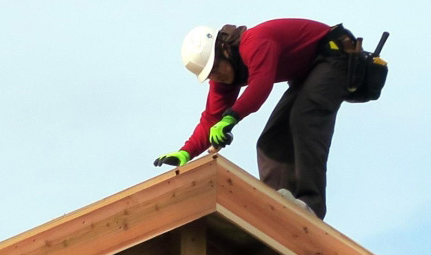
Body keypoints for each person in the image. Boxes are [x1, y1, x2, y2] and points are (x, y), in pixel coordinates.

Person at [154, 20, 365, 219]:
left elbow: (260, 86)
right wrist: (186, 152)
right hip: (308, 72)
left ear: (225, 50)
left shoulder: (255, 42)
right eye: (211, 75)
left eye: (217, 69)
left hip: (335, 57)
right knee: (270, 140)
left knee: (304, 119)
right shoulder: (224, 77)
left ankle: (311, 205)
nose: (217, 77)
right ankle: (276, 210)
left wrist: (231, 118)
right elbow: (211, 118)